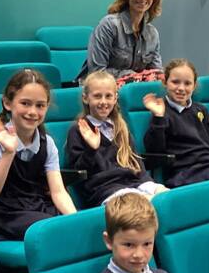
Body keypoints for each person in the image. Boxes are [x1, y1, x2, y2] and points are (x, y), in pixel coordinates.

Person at [0, 69, 76, 240]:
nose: (33, 112)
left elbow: (58, 192)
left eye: (40, 105)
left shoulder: (47, 143)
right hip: (7, 216)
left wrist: (75, 219)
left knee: (73, 225)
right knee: (54, 231)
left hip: (37, 208)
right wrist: (9, 152)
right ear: (7, 103)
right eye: (25, 103)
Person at [143, 59, 209, 213]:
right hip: (184, 173)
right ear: (165, 82)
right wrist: (159, 117)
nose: (181, 88)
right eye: (175, 82)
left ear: (194, 86)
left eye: (187, 83)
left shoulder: (200, 109)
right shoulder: (161, 111)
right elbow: (155, 149)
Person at [66, 70, 167, 207]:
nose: (103, 102)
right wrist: (91, 149)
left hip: (134, 183)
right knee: (145, 205)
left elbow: (137, 164)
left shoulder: (121, 127)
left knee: (167, 198)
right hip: (105, 190)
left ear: (115, 98)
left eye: (108, 96)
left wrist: (150, 184)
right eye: (97, 96)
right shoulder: (78, 130)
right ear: (85, 98)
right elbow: (79, 172)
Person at [78, 0, 163, 86]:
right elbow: (97, 73)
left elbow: (157, 75)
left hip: (133, 91)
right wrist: (133, 76)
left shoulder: (152, 34)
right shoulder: (108, 26)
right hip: (100, 90)